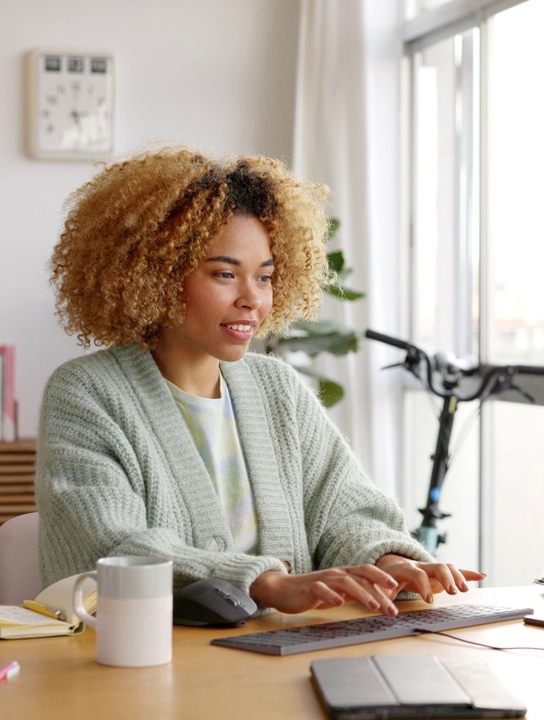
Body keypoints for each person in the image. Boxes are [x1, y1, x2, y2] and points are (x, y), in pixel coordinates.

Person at [35, 146, 482, 617]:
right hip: (146, 659)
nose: (253, 299)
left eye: (265, 277)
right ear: (157, 276)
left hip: (280, 655)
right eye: (226, 274)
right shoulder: (86, 393)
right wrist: (266, 583)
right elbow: (114, 545)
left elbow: (346, 511)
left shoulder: (278, 389)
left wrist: (386, 560)